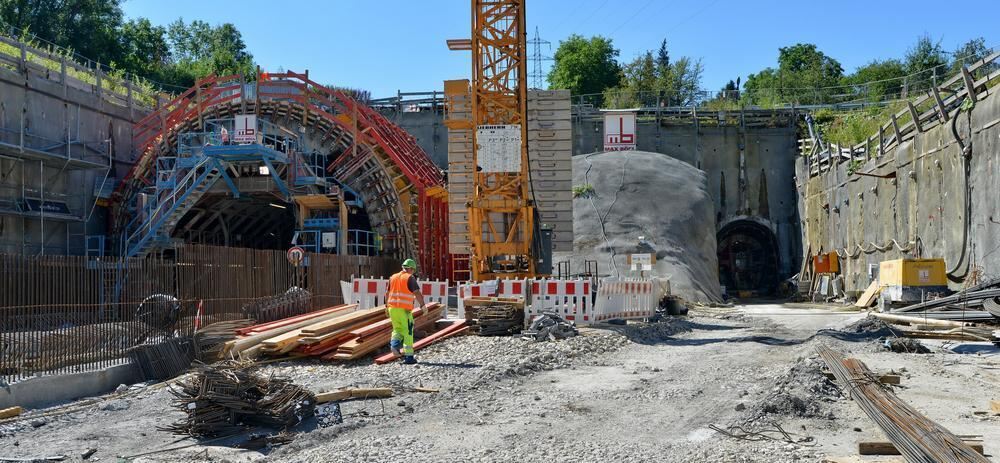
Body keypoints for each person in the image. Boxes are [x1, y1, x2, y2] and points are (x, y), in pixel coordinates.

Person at [386, 258, 425, 364]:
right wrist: (422, 306)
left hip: (392, 308)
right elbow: (417, 293)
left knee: (397, 329)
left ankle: (394, 345)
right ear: (411, 269)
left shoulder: (393, 277)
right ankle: (409, 357)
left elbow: (387, 293)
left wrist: (386, 306)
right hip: (404, 310)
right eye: (413, 270)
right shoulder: (409, 278)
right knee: (408, 332)